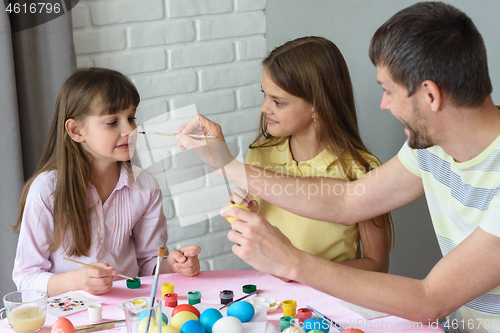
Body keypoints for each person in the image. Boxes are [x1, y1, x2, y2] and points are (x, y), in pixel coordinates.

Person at [176, 2, 500, 331]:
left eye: (388, 91)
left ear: (430, 95)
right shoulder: (432, 147)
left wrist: (292, 262)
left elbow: (429, 298)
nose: (383, 105)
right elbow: (347, 201)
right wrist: (226, 165)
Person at [12, 68, 201, 297]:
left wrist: (174, 265)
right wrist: (78, 280)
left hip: (127, 309)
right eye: (112, 122)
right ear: (75, 130)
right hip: (69, 316)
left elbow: (149, 263)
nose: (129, 130)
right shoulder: (46, 190)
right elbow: (26, 278)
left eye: (131, 118)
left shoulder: (145, 185)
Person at [226, 36, 393, 274]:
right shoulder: (259, 156)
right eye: (264, 94)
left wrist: (301, 271)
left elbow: (377, 265)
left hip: (330, 302)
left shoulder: (361, 170)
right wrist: (244, 216)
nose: (264, 107)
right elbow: (258, 247)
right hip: (274, 300)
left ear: (316, 106)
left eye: (278, 102)